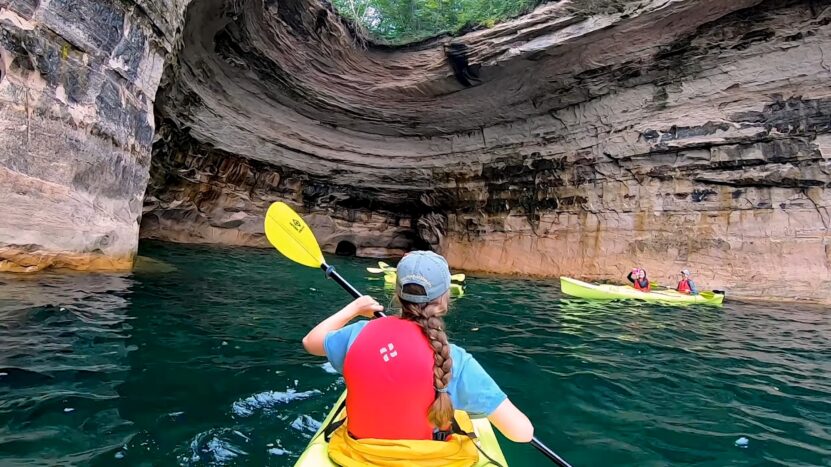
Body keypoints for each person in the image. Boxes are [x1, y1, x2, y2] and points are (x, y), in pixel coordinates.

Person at [301, 251, 533, 463]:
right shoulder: (456, 360)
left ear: (397, 293)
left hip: (357, 455)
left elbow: (310, 342)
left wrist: (353, 309)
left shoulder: (356, 334)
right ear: (444, 299)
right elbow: (522, 433)